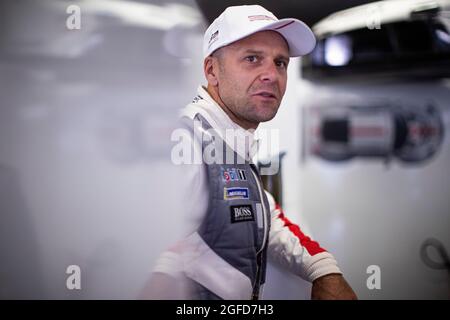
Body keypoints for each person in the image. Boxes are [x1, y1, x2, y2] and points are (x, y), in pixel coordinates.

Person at [142, 4, 357, 300]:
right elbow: (149, 255)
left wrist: (323, 268)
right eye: (252, 58)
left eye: (280, 63)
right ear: (211, 70)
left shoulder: (228, 141)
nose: (271, 74)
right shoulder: (185, 141)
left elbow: (264, 216)